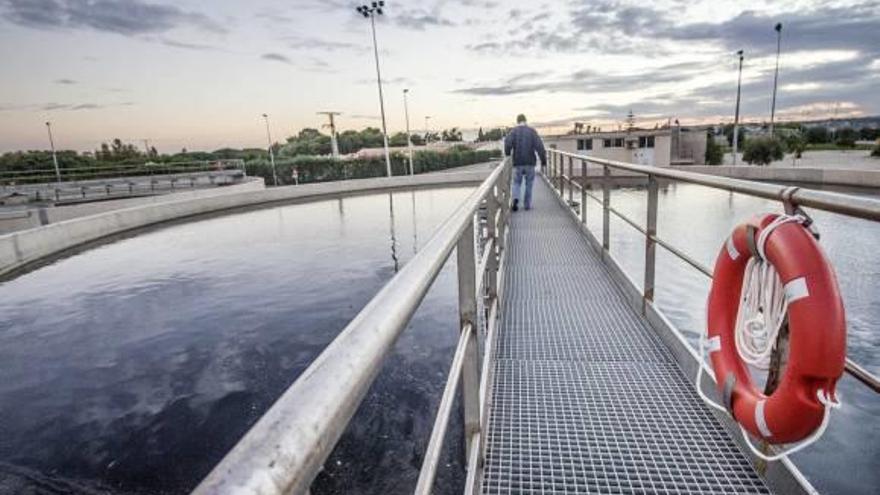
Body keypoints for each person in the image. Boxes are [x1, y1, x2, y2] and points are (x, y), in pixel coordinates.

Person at [504, 114, 546, 211]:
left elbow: (507, 143)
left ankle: (515, 199)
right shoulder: (532, 131)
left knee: (516, 183)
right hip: (530, 162)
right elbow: (539, 146)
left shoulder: (513, 132)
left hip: (517, 162)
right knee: (529, 183)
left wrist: (507, 154)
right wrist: (543, 160)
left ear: (517, 121)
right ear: (525, 121)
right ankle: (527, 205)